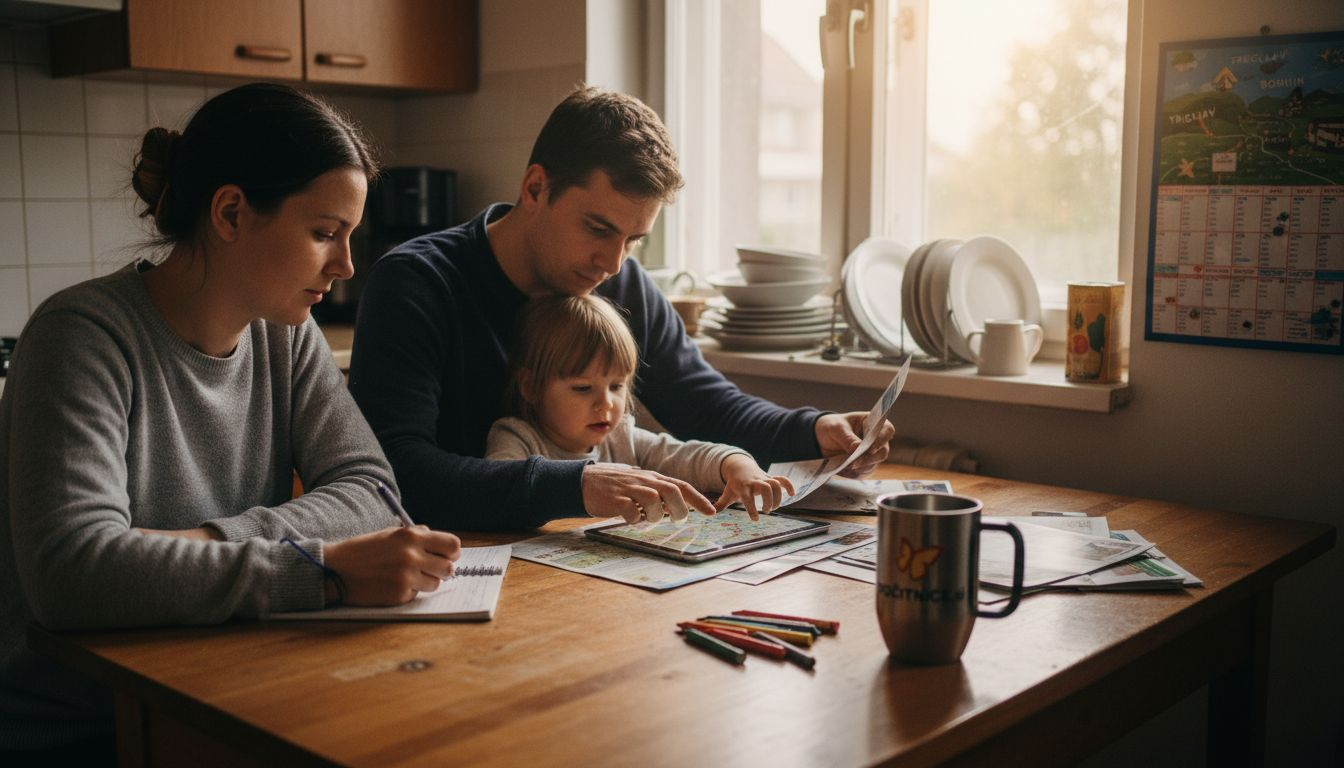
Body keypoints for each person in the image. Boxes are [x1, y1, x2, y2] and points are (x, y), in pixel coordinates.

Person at [0, 83, 461, 761]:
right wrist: (318, 568)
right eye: (324, 233)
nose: (346, 265)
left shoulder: (286, 335)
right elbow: (75, 575)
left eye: (350, 236)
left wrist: (198, 543)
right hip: (85, 729)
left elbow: (372, 493)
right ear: (230, 211)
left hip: (227, 685)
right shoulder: (82, 337)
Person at [349, 84, 895, 531]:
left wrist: (816, 429)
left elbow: (703, 404)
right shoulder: (416, 282)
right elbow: (397, 471)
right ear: (536, 188)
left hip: (567, 562)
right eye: (598, 228)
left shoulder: (615, 278)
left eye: (634, 240)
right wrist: (578, 484)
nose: (613, 263)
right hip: (448, 566)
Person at [486, 294, 795, 522]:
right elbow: (499, 489)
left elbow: (684, 456)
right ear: (530, 387)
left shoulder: (622, 437)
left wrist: (736, 465)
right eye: (583, 388)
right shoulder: (516, 437)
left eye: (617, 386)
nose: (606, 403)